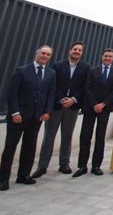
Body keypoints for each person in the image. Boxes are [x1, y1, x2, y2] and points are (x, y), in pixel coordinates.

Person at [0, 45, 56, 191]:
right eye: (43, 53)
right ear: (37, 54)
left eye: (48, 54)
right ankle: (4, 179)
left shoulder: (50, 73)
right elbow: (12, 94)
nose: (45, 56)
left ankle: (23, 175)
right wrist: (15, 113)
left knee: (29, 148)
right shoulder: (22, 71)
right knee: (10, 148)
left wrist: (47, 111)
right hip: (19, 117)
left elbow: (51, 94)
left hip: (37, 117)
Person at [32, 41, 90, 178]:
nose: (77, 52)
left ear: (82, 53)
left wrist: (73, 99)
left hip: (73, 107)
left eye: (79, 50)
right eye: (75, 49)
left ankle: (64, 163)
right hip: (57, 106)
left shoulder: (86, 68)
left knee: (67, 136)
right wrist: (61, 99)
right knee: (49, 137)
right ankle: (42, 166)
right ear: (69, 50)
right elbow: (53, 85)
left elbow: (84, 87)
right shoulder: (58, 66)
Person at [73, 48, 113, 178]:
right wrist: (94, 104)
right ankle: (82, 166)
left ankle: (96, 166)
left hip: (104, 108)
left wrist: (103, 104)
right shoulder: (93, 70)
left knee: (100, 137)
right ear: (102, 57)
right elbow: (87, 87)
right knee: (85, 136)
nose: (107, 58)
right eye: (106, 56)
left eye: (110, 56)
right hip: (90, 108)